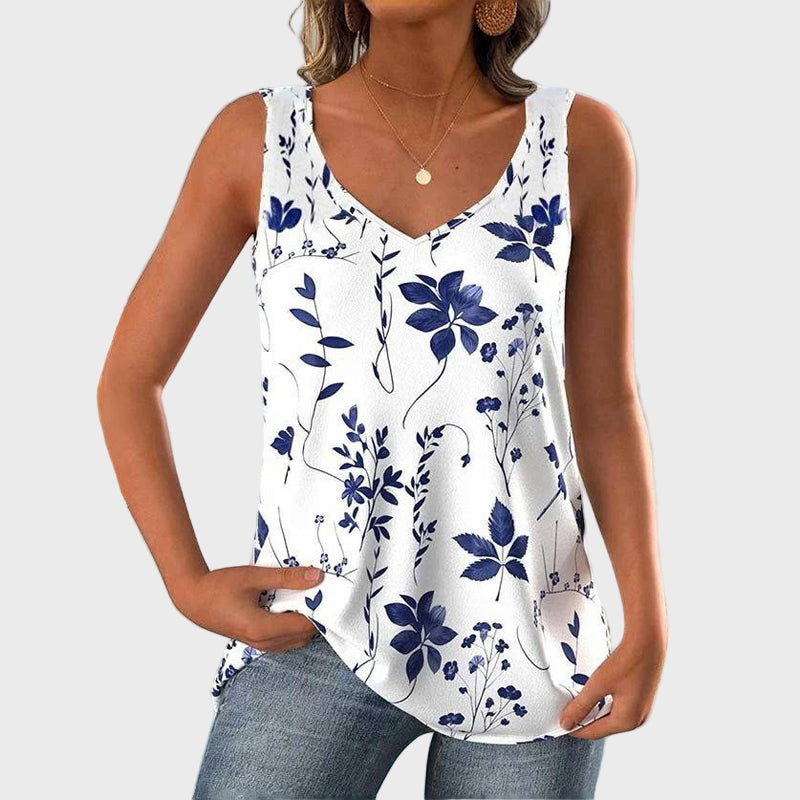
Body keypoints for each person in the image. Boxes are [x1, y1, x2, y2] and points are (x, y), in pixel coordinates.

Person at [97, 1, 667, 798]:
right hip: (315, 622)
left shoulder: (577, 142)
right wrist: (185, 581)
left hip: (530, 629)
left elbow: (605, 399)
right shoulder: (260, 139)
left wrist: (647, 618)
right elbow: (130, 379)